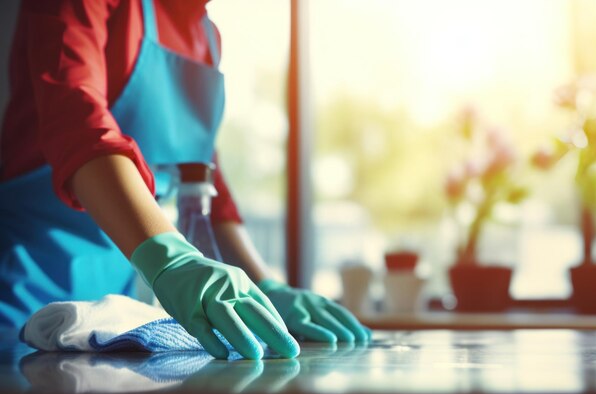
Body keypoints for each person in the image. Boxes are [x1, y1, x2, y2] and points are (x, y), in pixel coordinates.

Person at [0, 0, 370, 359]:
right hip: (24, 288)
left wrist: (265, 285)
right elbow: (77, 124)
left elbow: (205, 177)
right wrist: (171, 260)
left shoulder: (207, 38)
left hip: (110, 313)